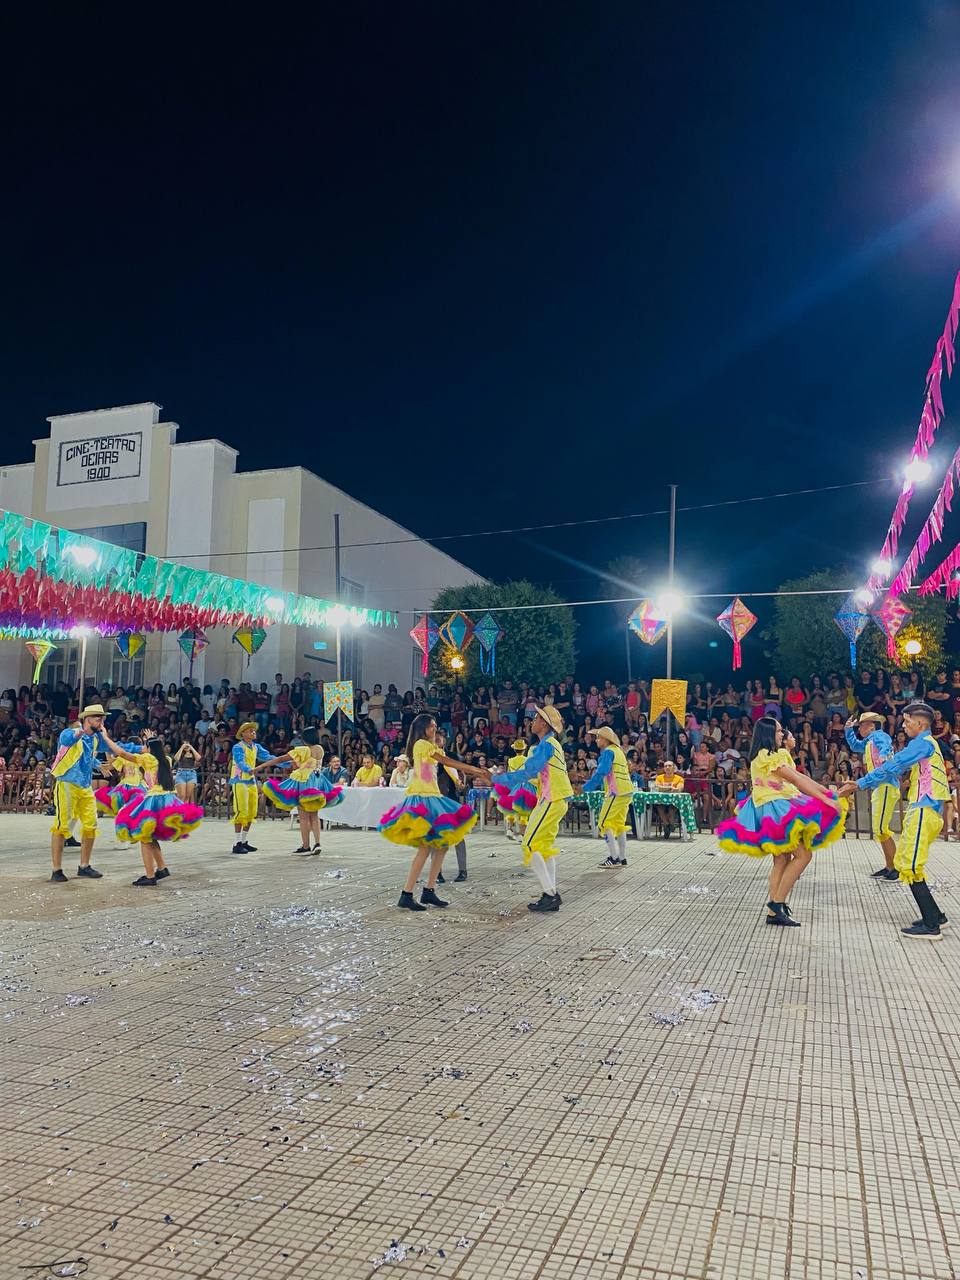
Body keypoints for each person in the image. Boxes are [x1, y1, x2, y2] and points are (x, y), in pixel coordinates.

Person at [717, 717, 845, 927]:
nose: (782, 734)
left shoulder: (770, 755)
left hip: (773, 807)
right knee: (803, 855)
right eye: (778, 731)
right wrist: (826, 800)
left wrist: (826, 792)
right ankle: (777, 903)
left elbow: (800, 778)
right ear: (768, 734)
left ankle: (774, 910)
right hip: (774, 809)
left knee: (781, 860)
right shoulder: (767, 756)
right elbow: (796, 780)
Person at [838, 702, 951, 940]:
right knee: (908, 862)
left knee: (908, 865)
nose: (903, 725)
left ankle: (932, 926)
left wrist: (859, 784)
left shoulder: (920, 743)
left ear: (920, 724)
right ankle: (936, 916)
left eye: (907, 721)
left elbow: (892, 765)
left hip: (924, 810)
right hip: (925, 810)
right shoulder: (927, 743)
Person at [378, 713, 487, 912]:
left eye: (436, 726)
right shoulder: (420, 745)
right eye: (431, 726)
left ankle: (428, 890)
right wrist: (475, 770)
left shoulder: (432, 747)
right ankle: (407, 894)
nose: (434, 729)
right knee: (425, 847)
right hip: (423, 797)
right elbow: (447, 761)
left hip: (433, 796)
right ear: (422, 728)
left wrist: (461, 778)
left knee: (442, 844)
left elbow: (447, 764)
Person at [490, 704, 572, 913]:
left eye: (535, 718)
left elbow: (529, 772)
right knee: (543, 846)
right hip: (556, 798)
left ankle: (551, 894)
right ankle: (549, 893)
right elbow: (535, 774)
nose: (532, 722)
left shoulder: (545, 745)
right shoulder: (550, 744)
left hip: (552, 799)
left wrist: (499, 779)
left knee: (529, 844)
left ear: (544, 723)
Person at [49, 704, 140, 883]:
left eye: (102, 718)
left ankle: (84, 866)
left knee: (91, 825)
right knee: (61, 826)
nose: (102, 721)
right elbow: (69, 741)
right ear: (87, 719)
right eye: (98, 718)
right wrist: (83, 731)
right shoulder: (69, 732)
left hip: (85, 786)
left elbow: (117, 747)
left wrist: (144, 749)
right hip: (67, 784)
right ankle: (56, 869)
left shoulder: (97, 738)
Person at [115, 738, 203, 886]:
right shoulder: (166, 759)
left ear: (150, 749)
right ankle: (161, 868)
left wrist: (105, 738)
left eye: (145, 746)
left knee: (144, 837)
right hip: (165, 799)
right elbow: (155, 749)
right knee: (151, 836)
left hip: (154, 799)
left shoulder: (148, 758)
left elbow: (122, 753)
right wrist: (150, 740)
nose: (143, 748)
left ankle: (150, 876)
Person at [259, 726, 344, 855]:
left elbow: (280, 759)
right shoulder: (320, 749)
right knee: (314, 816)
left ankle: (306, 846)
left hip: (304, 781)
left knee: (303, 817)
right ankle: (317, 843)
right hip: (317, 780)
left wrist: (260, 766)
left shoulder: (303, 749)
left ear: (304, 739)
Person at [844, 712, 899, 879]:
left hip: (886, 785)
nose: (859, 728)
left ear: (871, 726)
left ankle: (895, 868)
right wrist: (848, 730)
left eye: (862, 725)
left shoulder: (878, 736)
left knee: (881, 829)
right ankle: (890, 866)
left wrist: (884, 755)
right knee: (879, 829)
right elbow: (854, 746)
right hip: (880, 786)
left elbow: (886, 746)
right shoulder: (868, 742)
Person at [583, 725, 633, 868]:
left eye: (598, 737)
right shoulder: (619, 751)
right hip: (627, 791)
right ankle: (622, 858)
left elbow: (602, 772)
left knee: (604, 823)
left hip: (616, 792)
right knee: (618, 825)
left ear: (605, 739)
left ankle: (614, 858)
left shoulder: (608, 752)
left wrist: (587, 787)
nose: (597, 740)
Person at [230, 722, 272, 854]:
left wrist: (284, 761)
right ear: (243, 733)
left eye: (254, 730)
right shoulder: (238, 747)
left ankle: (243, 841)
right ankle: (237, 843)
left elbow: (268, 757)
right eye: (250, 730)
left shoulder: (256, 747)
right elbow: (240, 761)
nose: (253, 732)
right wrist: (249, 769)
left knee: (251, 811)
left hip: (251, 781)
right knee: (241, 811)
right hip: (240, 780)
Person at [492, 736, 537, 842]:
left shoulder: (510, 760)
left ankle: (509, 829)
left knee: (511, 809)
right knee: (524, 812)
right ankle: (521, 834)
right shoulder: (527, 760)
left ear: (514, 749)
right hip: (525, 786)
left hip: (514, 786)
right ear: (524, 749)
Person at [651, 760, 686, 837]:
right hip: (661, 801)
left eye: (669, 766)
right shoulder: (659, 778)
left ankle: (670, 825)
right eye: (665, 766)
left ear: (674, 768)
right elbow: (657, 788)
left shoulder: (679, 778)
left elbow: (679, 789)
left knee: (671, 808)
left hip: (674, 803)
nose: (667, 767)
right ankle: (667, 825)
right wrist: (670, 787)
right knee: (659, 807)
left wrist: (664, 788)